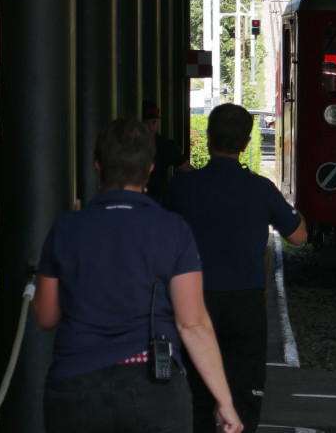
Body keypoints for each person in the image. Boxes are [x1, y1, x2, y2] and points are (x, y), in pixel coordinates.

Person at [33, 118, 242, 433]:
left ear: (98, 167)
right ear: (150, 170)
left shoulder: (66, 227)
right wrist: (224, 401)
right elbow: (192, 324)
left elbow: (46, 316)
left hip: (75, 386)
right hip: (153, 387)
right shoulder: (173, 230)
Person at [163, 103, 306, 433]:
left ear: (208, 138)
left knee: (194, 395)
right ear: (246, 143)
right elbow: (298, 237)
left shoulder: (182, 187)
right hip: (246, 305)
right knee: (243, 396)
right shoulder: (260, 188)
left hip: (194, 303)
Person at [143, 100, 193, 201]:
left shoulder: (166, 146)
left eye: (154, 122)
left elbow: (188, 170)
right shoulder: (128, 146)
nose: (151, 128)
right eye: (146, 123)